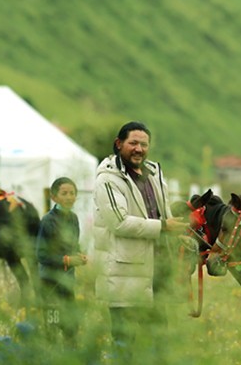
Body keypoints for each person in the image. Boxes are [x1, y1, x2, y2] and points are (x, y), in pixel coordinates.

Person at [92, 121, 188, 361]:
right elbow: (120, 223)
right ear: (118, 144)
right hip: (124, 274)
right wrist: (164, 227)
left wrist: (176, 232)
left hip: (154, 273)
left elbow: (162, 214)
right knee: (126, 345)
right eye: (133, 143)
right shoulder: (108, 179)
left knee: (158, 342)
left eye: (144, 144)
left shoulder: (154, 174)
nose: (139, 149)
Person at [35, 177, 87, 344]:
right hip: (50, 283)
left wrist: (79, 255)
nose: (69, 197)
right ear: (54, 197)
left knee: (71, 327)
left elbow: (73, 246)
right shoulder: (47, 220)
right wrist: (66, 260)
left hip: (67, 282)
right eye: (64, 193)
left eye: (72, 193)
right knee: (53, 326)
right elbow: (41, 255)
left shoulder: (74, 218)